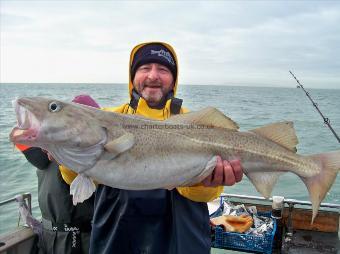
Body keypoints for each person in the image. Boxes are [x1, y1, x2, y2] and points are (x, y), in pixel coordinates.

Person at [86, 42, 244, 254]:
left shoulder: (196, 124)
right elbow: (75, 178)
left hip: (182, 242)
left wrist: (204, 182)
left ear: (174, 79)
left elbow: (209, 194)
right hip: (117, 241)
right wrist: (64, 154)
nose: (153, 76)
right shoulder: (106, 119)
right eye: (144, 68)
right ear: (132, 76)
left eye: (163, 69)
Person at [15, 95, 99, 254]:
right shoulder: (76, 156)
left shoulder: (42, 150)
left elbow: (20, 136)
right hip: (79, 239)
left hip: (49, 236)